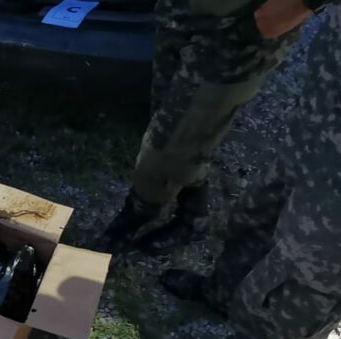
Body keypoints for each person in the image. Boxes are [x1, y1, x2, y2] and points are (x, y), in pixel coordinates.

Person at [160, 4, 340, 339]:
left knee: (309, 270)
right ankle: (224, 292)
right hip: (325, 117)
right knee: (260, 209)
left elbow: (269, 22)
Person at [97, 0, 322, 255]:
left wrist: (288, 10)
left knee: (167, 145)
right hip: (181, 12)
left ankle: (131, 222)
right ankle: (193, 215)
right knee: (175, 128)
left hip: (236, 35)